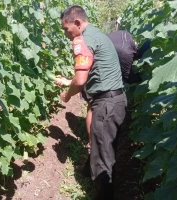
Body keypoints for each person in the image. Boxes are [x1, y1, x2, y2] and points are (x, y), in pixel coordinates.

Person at [56, 5, 127, 200]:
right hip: (114, 100)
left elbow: (80, 81)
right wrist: (66, 81)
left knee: (103, 156)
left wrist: (67, 95)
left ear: (77, 23)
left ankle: (104, 195)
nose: (66, 34)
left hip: (107, 104)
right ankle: (88, 172)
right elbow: (84, 73)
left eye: (66, 29)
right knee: (101, 145)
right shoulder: (96, 34)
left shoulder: (83, 40)